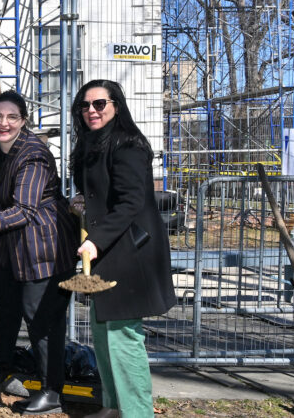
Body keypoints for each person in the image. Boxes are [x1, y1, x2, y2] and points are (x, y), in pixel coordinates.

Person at [0, 90, 78, 415]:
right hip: (9, 242)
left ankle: (51, 392)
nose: (3, 123)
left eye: (12, 117)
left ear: (23, 120)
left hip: (44, 242)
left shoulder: (34, 154)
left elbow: (25, 208)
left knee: (39, 315)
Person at [70, 80, 176, 418]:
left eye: (100, 104)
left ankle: (137, 413)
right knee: (103, 333)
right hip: (108, 250)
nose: (92, 110)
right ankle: (114, 407)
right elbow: (104, 193)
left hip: (131, 254)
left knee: (124, 337)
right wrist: (83, 202)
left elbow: (131, 202)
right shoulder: (92, 143)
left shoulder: (128, 143)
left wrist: (95, 240)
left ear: (116, 104)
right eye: (85, 105)